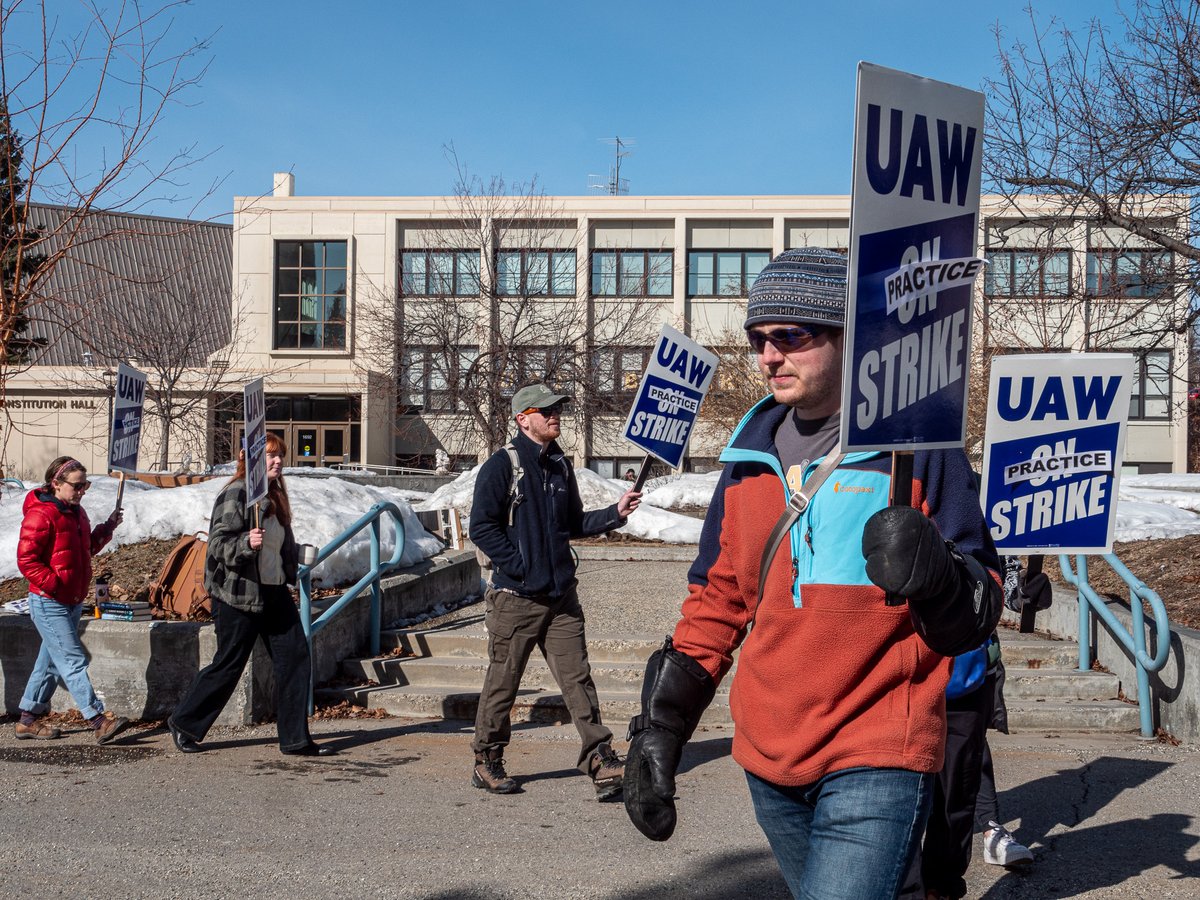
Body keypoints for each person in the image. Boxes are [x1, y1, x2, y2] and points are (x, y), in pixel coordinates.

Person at [621, 247, 1003, 899]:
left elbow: (985, 594)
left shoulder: (917, 448)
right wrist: (660, 726)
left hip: (880, 748)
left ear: (850, 339)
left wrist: (938, 576)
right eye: (760, 339)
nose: (770, 355)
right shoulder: (747, 457)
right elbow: (718, 600)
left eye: (792, 335)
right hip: (770, 759)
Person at [469, 383, 642, 800]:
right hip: (517, 599)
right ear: (522, 418)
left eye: (557, 409)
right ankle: (486, 760)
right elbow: (481, 527)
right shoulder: (501, 466)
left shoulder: (560, 465)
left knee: (578, 680)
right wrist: (520, 566)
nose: (555, 415)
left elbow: (574, 523)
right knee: (503, 682)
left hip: (562, 597)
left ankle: (600, 759)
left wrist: (614, 514)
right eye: (545, 410)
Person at [168, 433, 332, 756]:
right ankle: (184, 722)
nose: (277, 462)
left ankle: (295, 739)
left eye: (280, 456)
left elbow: (274, 544)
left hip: (273, 592)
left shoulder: (275, 496)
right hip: (238, 596)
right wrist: (246, 543)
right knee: (229, 664)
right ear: (251, 460)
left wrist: (296, 553)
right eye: (270, 456)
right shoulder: (236, 493)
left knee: (296, 659)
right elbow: (217, 545)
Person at [16, 456, 130, 743]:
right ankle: (98, 719)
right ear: (56, 483)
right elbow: (26, 560)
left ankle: (28, 719)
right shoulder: (40, 515)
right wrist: (54, 584)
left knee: (51, 662)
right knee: (71, 659)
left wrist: (108, 528)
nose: (82, 491)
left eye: (85, 485)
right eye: (77, 486)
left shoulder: (77, 513)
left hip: (72, 599)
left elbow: (85, 548)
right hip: (49, 600)